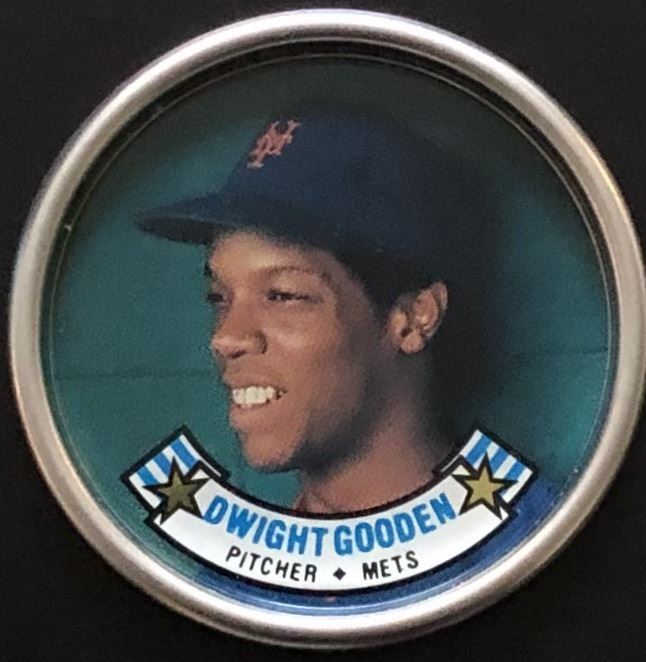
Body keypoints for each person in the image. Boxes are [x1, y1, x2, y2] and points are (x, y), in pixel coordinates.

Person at [140, 102, 484, 514]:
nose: (226, 337)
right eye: (219, 297)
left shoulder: (525, 540)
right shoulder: (234, 556)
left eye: (283, 295)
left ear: (413, 318)